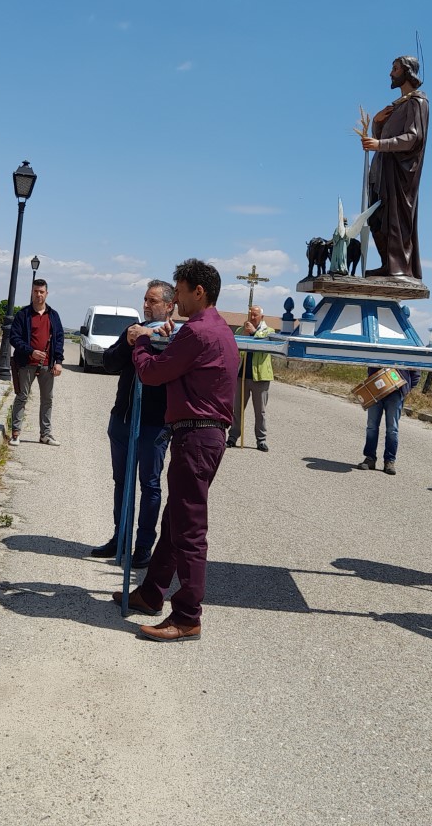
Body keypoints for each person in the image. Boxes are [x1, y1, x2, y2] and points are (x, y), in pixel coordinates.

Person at [113, 259, 238, 642]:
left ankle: (187, 616)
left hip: (196, 436)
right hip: (200, 435)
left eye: (180, 291)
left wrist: (142, 342)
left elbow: (152, 373)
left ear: (198, 291)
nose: (177, 298)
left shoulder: (199, 332)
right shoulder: (213, 329)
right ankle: (152, 593)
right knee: (174, 521)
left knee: (188, 529)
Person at [90, 280, 177, 568]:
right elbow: (109, 363)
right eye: (145, 299)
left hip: (154, 425)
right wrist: (129, 343)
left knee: (149, 485)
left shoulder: (176, 336)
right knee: (121, 483)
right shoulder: (132, 330)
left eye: (152, 301)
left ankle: (142, 547)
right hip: (123, 419)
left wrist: (154, 339)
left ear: (169, 305)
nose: (146, 305)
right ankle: (120, 538)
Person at [360, 55, 430, 281]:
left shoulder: (417, 102)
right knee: (376, 218)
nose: (391, 73)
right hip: (382, 170)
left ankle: (398, 266)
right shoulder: (397, 106)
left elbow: (413, 138)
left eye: (395, 68)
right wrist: (377, 124)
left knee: (395, 219)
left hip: (400, 175)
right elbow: (383, 137)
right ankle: (386, 264)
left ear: (407, 71)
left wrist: (380, 144)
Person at [8, 278, 65, 446]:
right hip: (26, 364)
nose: (38, 294)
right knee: (22, 397)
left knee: (47, 399)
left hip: (48, 365)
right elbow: (14, 338)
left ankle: (45, 435)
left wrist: (58, 361)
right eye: (35, 291)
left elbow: (59, 339)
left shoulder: (53, 316)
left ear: (46, 293)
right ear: (31, 293)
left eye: (41, 292)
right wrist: (30, 351)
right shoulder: (23, 314)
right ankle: (16, 433)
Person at [227, 304, 274, 452]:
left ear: (262, 317)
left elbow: (266, 344)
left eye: (255, 315)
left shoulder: (269, 331)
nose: (252, 318)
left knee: (260, 411)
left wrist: (253, 333)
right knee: (237, 409)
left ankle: (261, 440)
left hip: (260, 377)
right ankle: (233, 437)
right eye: (250, 315)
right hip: (241, 376)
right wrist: (246, 335)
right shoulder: (241, 331)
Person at [356, 367, 420, 474]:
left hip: (396, 392)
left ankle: (389, 461)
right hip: (375, 388)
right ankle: (370, 458)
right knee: (372, 426)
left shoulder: (407, 350)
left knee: (392, 429)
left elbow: (416, 371)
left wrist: (406, 388)